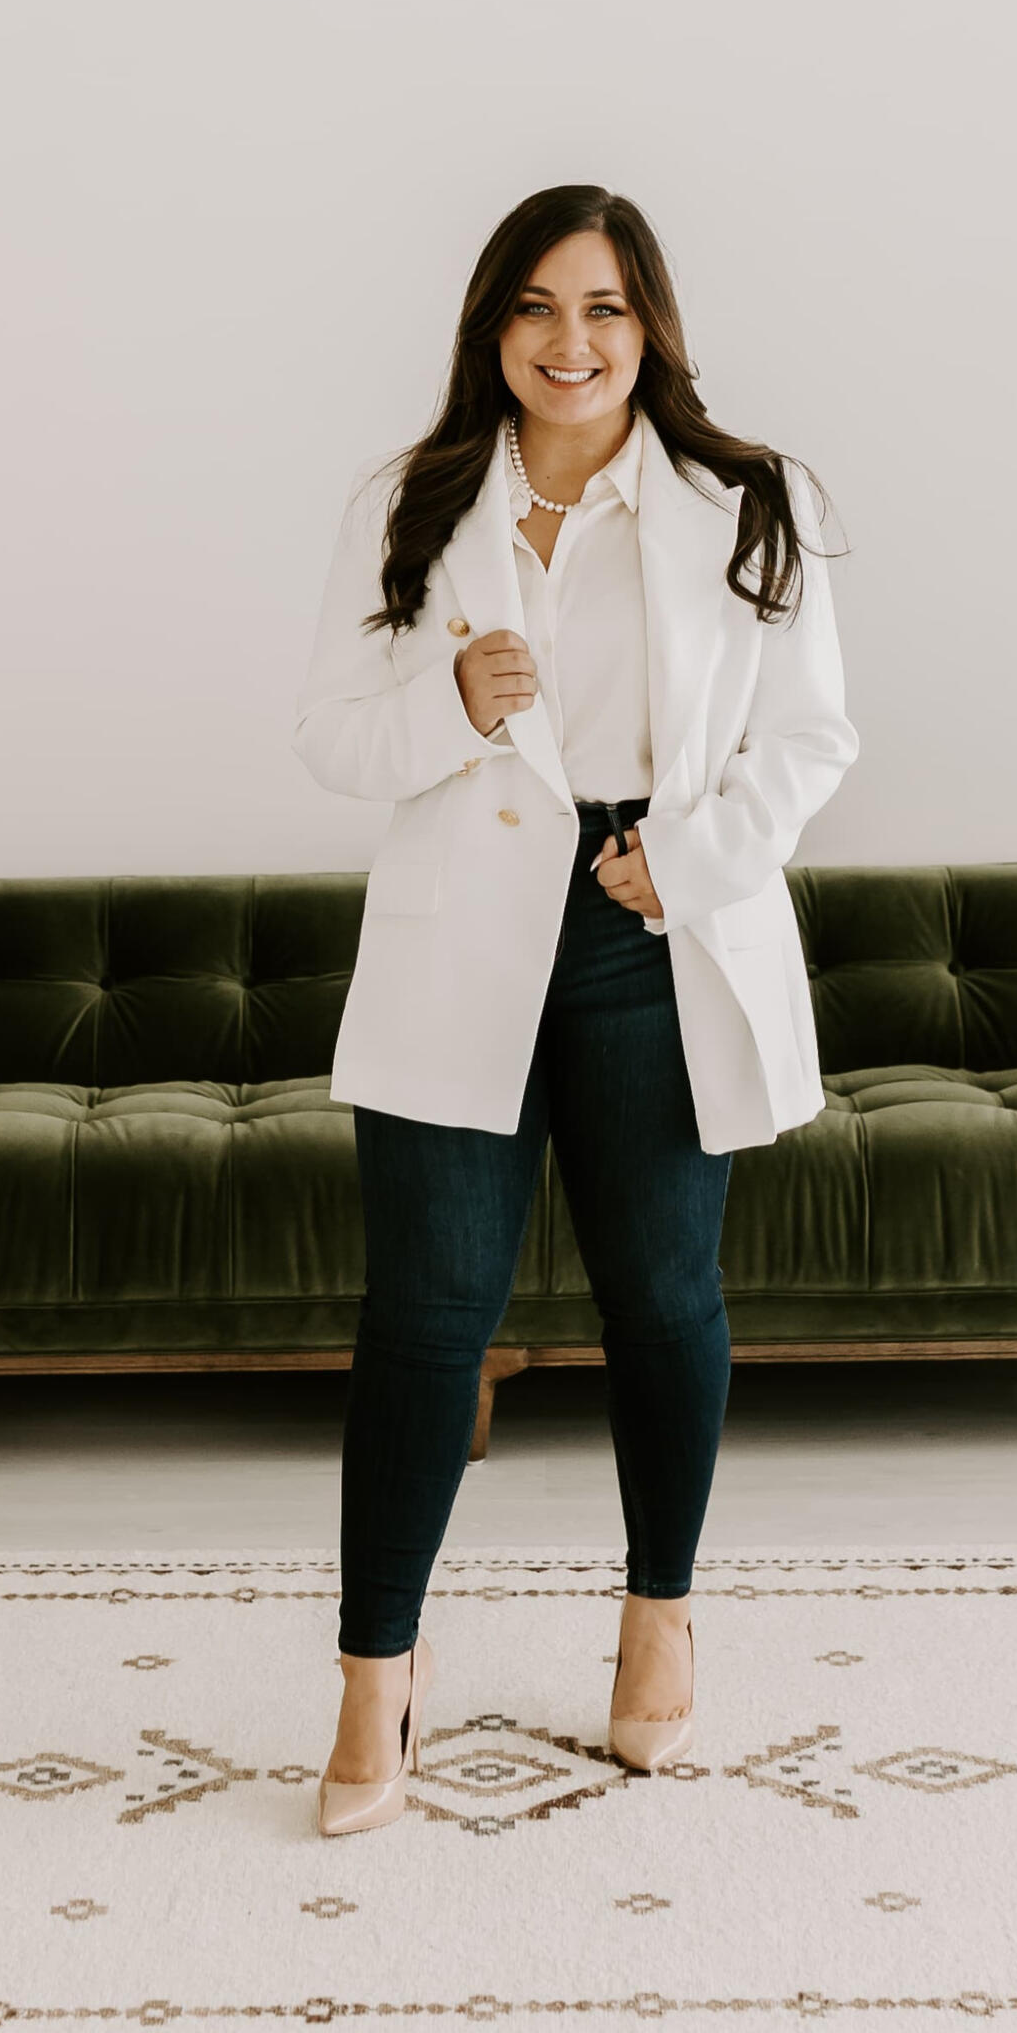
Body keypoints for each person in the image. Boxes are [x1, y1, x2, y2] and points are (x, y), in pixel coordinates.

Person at [290, 183, 857, 1835]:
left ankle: (659, 1614)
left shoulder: (750, 501)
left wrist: (689, 863)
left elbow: (811, 735)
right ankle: (375, 1673)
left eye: (604, 307)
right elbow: (330, 733)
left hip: (647, 922)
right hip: (466, 922)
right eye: (538, 307)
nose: (571, 340)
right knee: (425, 1315)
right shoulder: (410, 500)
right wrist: (446, 704)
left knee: (664, 1300)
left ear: (649, 328)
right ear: (492, 330)